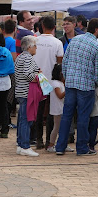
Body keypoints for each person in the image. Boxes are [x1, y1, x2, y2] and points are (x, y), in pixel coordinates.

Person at [55, 18, 98, 156]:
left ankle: (60, 146)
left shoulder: (75, 40)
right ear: (96, 30)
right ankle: (82, 148)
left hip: (71, 83)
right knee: (83, 117)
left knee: (67, 116)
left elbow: (65, 62)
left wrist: (67, 78)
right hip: (86, 86)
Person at [32, 16, 63, 149]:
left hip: (38, 79)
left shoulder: (34, 40)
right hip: (52, 80)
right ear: (54, 27)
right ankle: (49, 141)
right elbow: (60, 62)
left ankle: (38, 139)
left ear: (42, 26)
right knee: (52, 111)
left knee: (38, 111)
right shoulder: (57, 43)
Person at [14, 35, 41, 156]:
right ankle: (25, 145)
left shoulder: (20, 57)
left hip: (20, 91)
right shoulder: (28, 58)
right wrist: (38, 77)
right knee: (26, 119)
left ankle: (20, 144)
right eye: (35, 45)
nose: (36, 48)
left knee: (22, 119)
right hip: (27, 92)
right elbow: (27, 74)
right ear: (30, 47)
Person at [47, 63, 65, 152]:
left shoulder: (60, 83)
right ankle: (51, 145)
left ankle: (63, 144)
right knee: (57, 127)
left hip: (61, 108)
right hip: (57, 109)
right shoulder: (56, 84)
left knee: (62, 127)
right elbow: (60, 95)